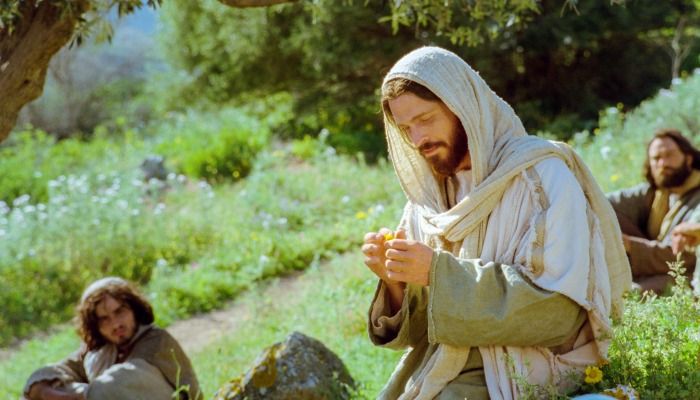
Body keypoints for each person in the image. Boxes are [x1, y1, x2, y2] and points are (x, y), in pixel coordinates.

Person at [361, 46, 631, 400]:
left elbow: (558, 313)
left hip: (528, 365)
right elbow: (422, 333)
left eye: (425, 120)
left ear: (463, 106)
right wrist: (395, 281)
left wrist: (439, 274)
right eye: (406, 128)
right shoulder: (428, 201)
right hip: (447, 364)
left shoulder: (541, 177)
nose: (417, 140)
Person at [24, 277, 202, 400]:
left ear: (134, 309)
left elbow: (118, 385)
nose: (115, 324)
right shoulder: (98, 351)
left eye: (120, 311)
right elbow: (58, 370)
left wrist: (77, 395)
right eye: (104, 319)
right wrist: (44, 390)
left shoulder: (156, 341)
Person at [607, 128, 700, 294]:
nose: (662, 164)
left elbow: (683, 257)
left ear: (688, 158)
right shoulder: (656, 193)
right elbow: (603, 202)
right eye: (656, 158)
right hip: (656, 261)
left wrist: (628, 244)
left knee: (630, 293)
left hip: (684, 271)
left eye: (669, 155)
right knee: (605, 212)